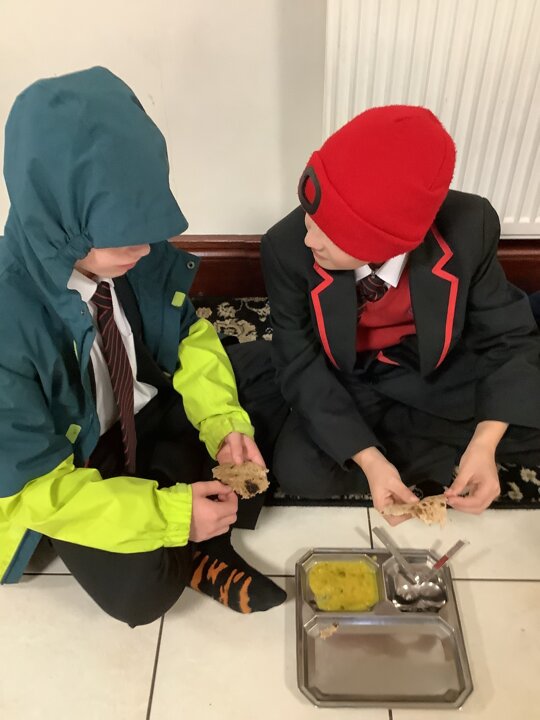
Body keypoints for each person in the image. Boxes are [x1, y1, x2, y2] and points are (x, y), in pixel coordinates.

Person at [0, 67, 287, 624]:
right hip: (76, 465)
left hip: (139, 412)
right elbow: (37, 489)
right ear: (60, 222)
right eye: (123, 235)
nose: (146, 249)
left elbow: (189, 335)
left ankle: (185, 506)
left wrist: (224, 423)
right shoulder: (9, 322)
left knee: (270, 374)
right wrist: (171, 516)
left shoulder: (135, 255)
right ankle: (193, 536)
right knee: (140, 591)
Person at [261, 105, 540, 524]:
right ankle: (411, 447)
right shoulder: (285, 246)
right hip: (348, 376)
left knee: (522, 414)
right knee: (302, 470)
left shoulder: (471, 226)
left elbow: (507, 336)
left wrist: (485, 442)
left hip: (436, 365)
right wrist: (369, 459)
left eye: (331, 231)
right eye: (310, 216)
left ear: (387, 241)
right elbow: (298, 361)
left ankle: (438, 443)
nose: (309, 238)